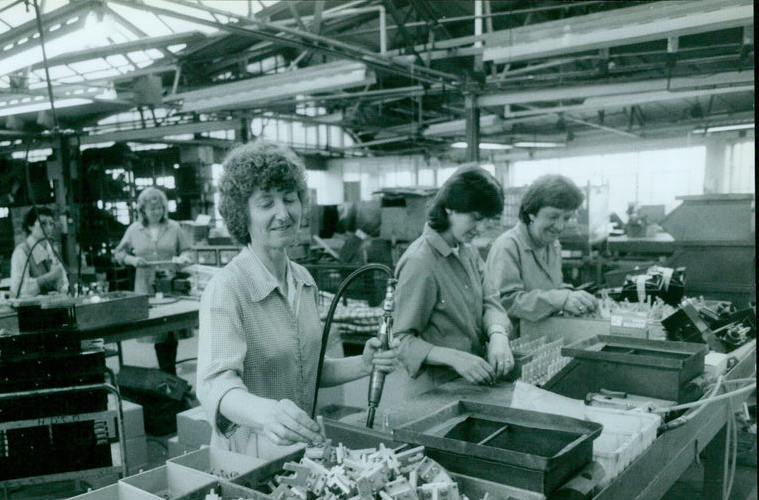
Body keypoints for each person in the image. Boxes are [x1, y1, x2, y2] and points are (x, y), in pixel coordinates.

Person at [196, 139, 398, 460]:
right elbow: (214, 386)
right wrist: (267, 414)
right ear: (242, 215)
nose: (283, 213)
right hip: (248, 457)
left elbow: (306, 368)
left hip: (300, 453)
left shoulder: (304, 281)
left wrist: (362, 364)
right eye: (266, 203)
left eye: (289, 199)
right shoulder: (228, 289)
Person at [393, 164, 514, 398]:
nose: (481, 228)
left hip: (471, 383)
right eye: (476, 218)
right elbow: (399, 341)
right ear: (449, 207)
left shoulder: (468, 253)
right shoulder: (420, 262)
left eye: (487, 220)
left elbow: (490, 303)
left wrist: (498, 335)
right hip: (434, 391)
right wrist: (454, 357)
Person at [484, 174, 597, 332]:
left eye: (566, 218)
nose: (560, 226)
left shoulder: (552, 245)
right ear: (531, 213)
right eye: (553, 216)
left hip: (543, 334)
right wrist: (559, 298)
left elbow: (551, 288)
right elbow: (504, 303)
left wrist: (572, 295)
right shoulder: (508, 246)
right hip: (513, 342)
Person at [113, 186, 193, 375]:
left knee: (171, 331)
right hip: (146, 287)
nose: (157, 212)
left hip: (169, 286)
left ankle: (169, 376)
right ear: (143, 211)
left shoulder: (174, 227)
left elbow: (188, 251)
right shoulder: (134, 230)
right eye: (152, 209)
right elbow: (119, 253)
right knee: (158, 332)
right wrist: (133, 260)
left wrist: (182, 259)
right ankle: (168, 377)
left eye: (160, 208)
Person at [10, 206, 68, 298]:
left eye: (51, 223)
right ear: (30, 226)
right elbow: (19, 290)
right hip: (32, 309)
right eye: (43, 224)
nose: (49, 228)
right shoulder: (21, 252)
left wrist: (61, 289)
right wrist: (48, 277)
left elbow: (64, 282)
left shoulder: (52, 249)